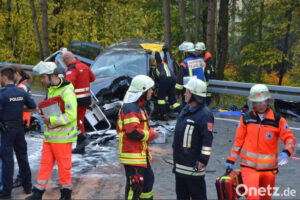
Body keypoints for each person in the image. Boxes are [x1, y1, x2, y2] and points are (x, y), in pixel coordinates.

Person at [226, 84, 296, 200]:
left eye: (264, 101)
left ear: (268, 100)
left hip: (269, 170)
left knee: (265, 198)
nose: (262, 105)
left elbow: (290, 139)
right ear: (253, 102)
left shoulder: (278, 120)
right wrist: (230, 160)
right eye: (258, 102)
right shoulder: (246, 119)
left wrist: (287, 152)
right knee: (253, 197)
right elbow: (238, 142)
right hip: (248, 168)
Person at [26, 62, 78, 200]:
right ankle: (37, 193)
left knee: (64, 168)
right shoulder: (52, 89)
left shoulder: (67, 91)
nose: (42, 81)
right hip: (50, 137)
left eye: (43, 78)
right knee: (45, 165)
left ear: (52, 76)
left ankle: (66, 195)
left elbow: (72, 116)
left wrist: (51, 119)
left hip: (62, 138)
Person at [117, 75, 162, 200]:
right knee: (136, 185)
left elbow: (141, 128)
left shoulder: (138, 106)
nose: (152, 91)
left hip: (140, 154)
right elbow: (133, 133)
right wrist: (152, 134)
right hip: (132, 155)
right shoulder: (131, 108)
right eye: (149, 89)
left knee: (147, 181)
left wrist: (152, 132)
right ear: (142, 91)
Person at [173, 77, 214, 200]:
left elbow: (207, 140)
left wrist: (203, 160)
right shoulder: (185, 110)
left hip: (193, 168)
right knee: (181, 196)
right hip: (180, 167)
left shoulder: (205, 115)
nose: (185, 93)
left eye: (188, 91)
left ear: (195, 95)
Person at [0, 67, 37, 198]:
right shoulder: (21, 92)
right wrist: (19, 108)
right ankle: (28, 187)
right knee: (23, 158)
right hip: (19, 130)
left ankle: (6, 193)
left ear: (4, 77)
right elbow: (33, 106)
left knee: (7, 161)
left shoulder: (2, 93)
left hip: (7, 131)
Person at [62, 51, 95, 154]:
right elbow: (92, 78)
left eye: (64, 61)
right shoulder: (85, 66)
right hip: (86, 100)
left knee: (71, 122)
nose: (64, 63)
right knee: (80, 122)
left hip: (76, 101)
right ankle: (81, 148)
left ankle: (81, 139)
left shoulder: (71, 69)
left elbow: (68, 85)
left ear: (67, 59)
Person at [10, 65, 33, 192]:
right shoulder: (22, 85)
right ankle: (23, 179)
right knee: (20, 153)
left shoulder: (22, 87)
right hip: (22, 122)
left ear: (17, 73)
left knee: (20, 154)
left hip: (20, 122)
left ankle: (21, 178)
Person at [147, 50, 181, 121]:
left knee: (160, 99)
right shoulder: (163, 65)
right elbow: (157, 81)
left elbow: (156, 53)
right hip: (173, 79)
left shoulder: (159, 62)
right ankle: (182, 112)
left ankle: (163, 115)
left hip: (165, 79)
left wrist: (149, 52)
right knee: (172, 100)